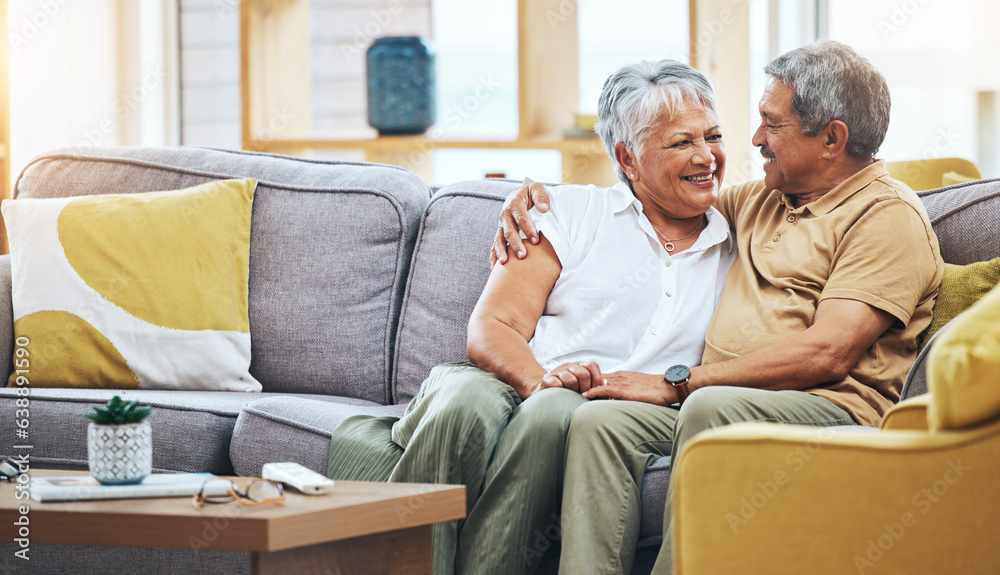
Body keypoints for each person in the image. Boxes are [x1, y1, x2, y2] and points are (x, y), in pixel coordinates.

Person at [492, 40, 944, 574]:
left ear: (832, 138)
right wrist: (536, 200)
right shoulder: (761, 200)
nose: (754, 140)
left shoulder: (887, 218)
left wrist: (680, 382)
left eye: (771, 125)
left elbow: (829, 353)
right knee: (601, 420)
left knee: (711, 407)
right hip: (731, 397)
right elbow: (657, 187)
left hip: (828, 407)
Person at [325, 59, 736, 575]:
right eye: (682, 143)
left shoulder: (742, 236)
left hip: (611, 408)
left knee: (556, 414)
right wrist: (542, 381)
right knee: (465, 403)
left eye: (714, 135)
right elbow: (493, 327)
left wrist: (559, 395)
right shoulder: (566, 211)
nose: (706, 156)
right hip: (515, 378)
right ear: (628, 159)